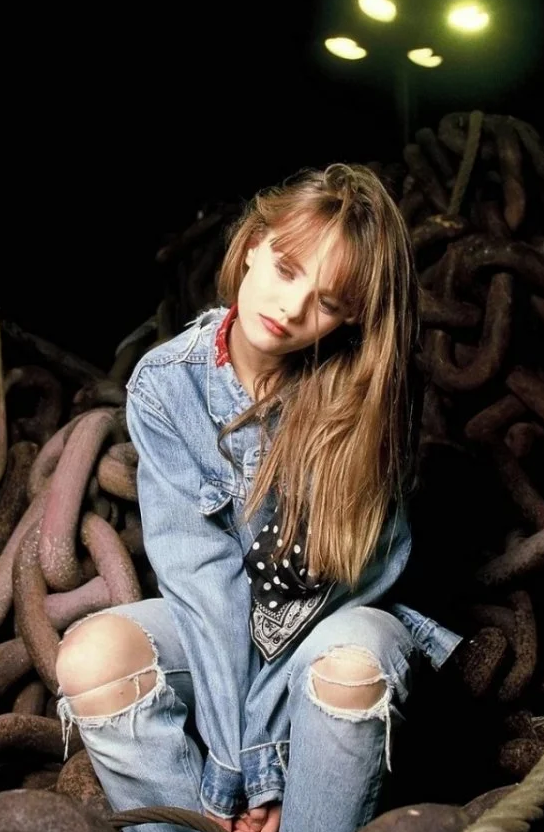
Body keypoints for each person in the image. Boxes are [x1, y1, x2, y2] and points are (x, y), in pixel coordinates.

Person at [55, 163, 462, 832]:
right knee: (92, 655)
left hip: (334, 621)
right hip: (219, 631)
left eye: (328, 302)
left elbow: (348, 582)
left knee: (351, 664)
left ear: (353, 317)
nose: (292, 308)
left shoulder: (363, 397)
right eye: (286, 268)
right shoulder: (166, 385)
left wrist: (262, 766)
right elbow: (202, 583)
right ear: (251, 246)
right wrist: (229, 773)